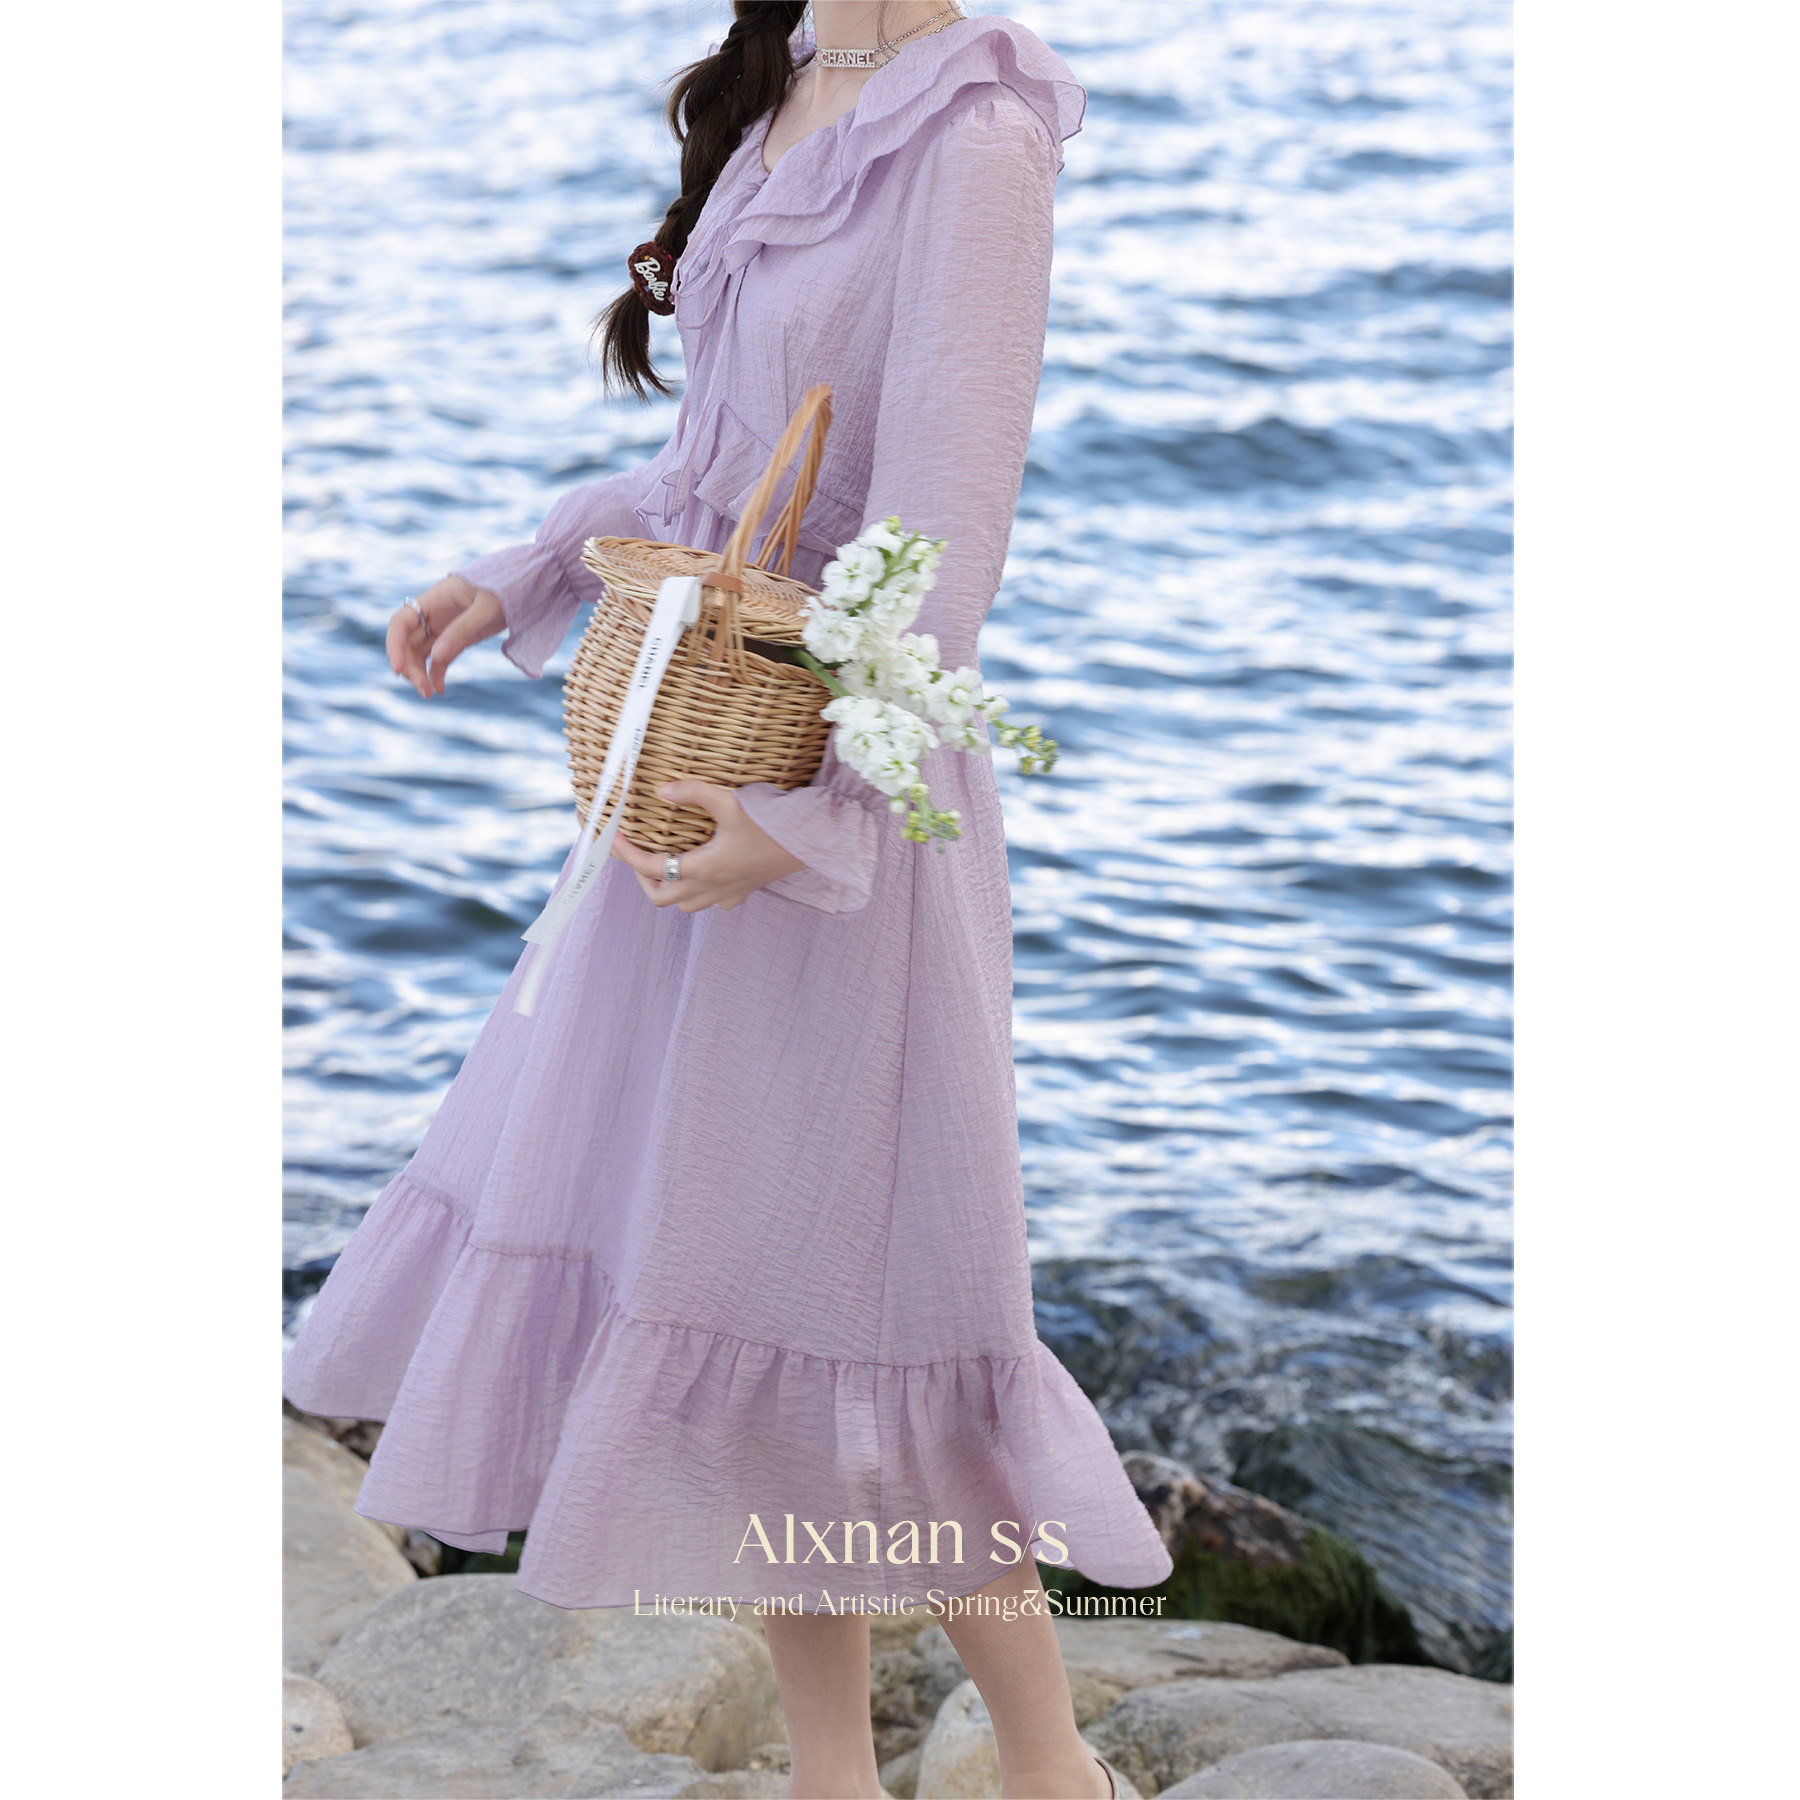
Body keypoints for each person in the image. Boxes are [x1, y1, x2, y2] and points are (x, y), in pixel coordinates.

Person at [283, 5, 1171, 1795]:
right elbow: (717, 474)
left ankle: (1048, 1766)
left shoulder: (975, 138)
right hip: (696, 766)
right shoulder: (787, 94)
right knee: (734, 1289)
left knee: (891, 1320)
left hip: (843, 799)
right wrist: (527, 564)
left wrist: (819, 817)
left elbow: (941, 536)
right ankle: (836, 1774)